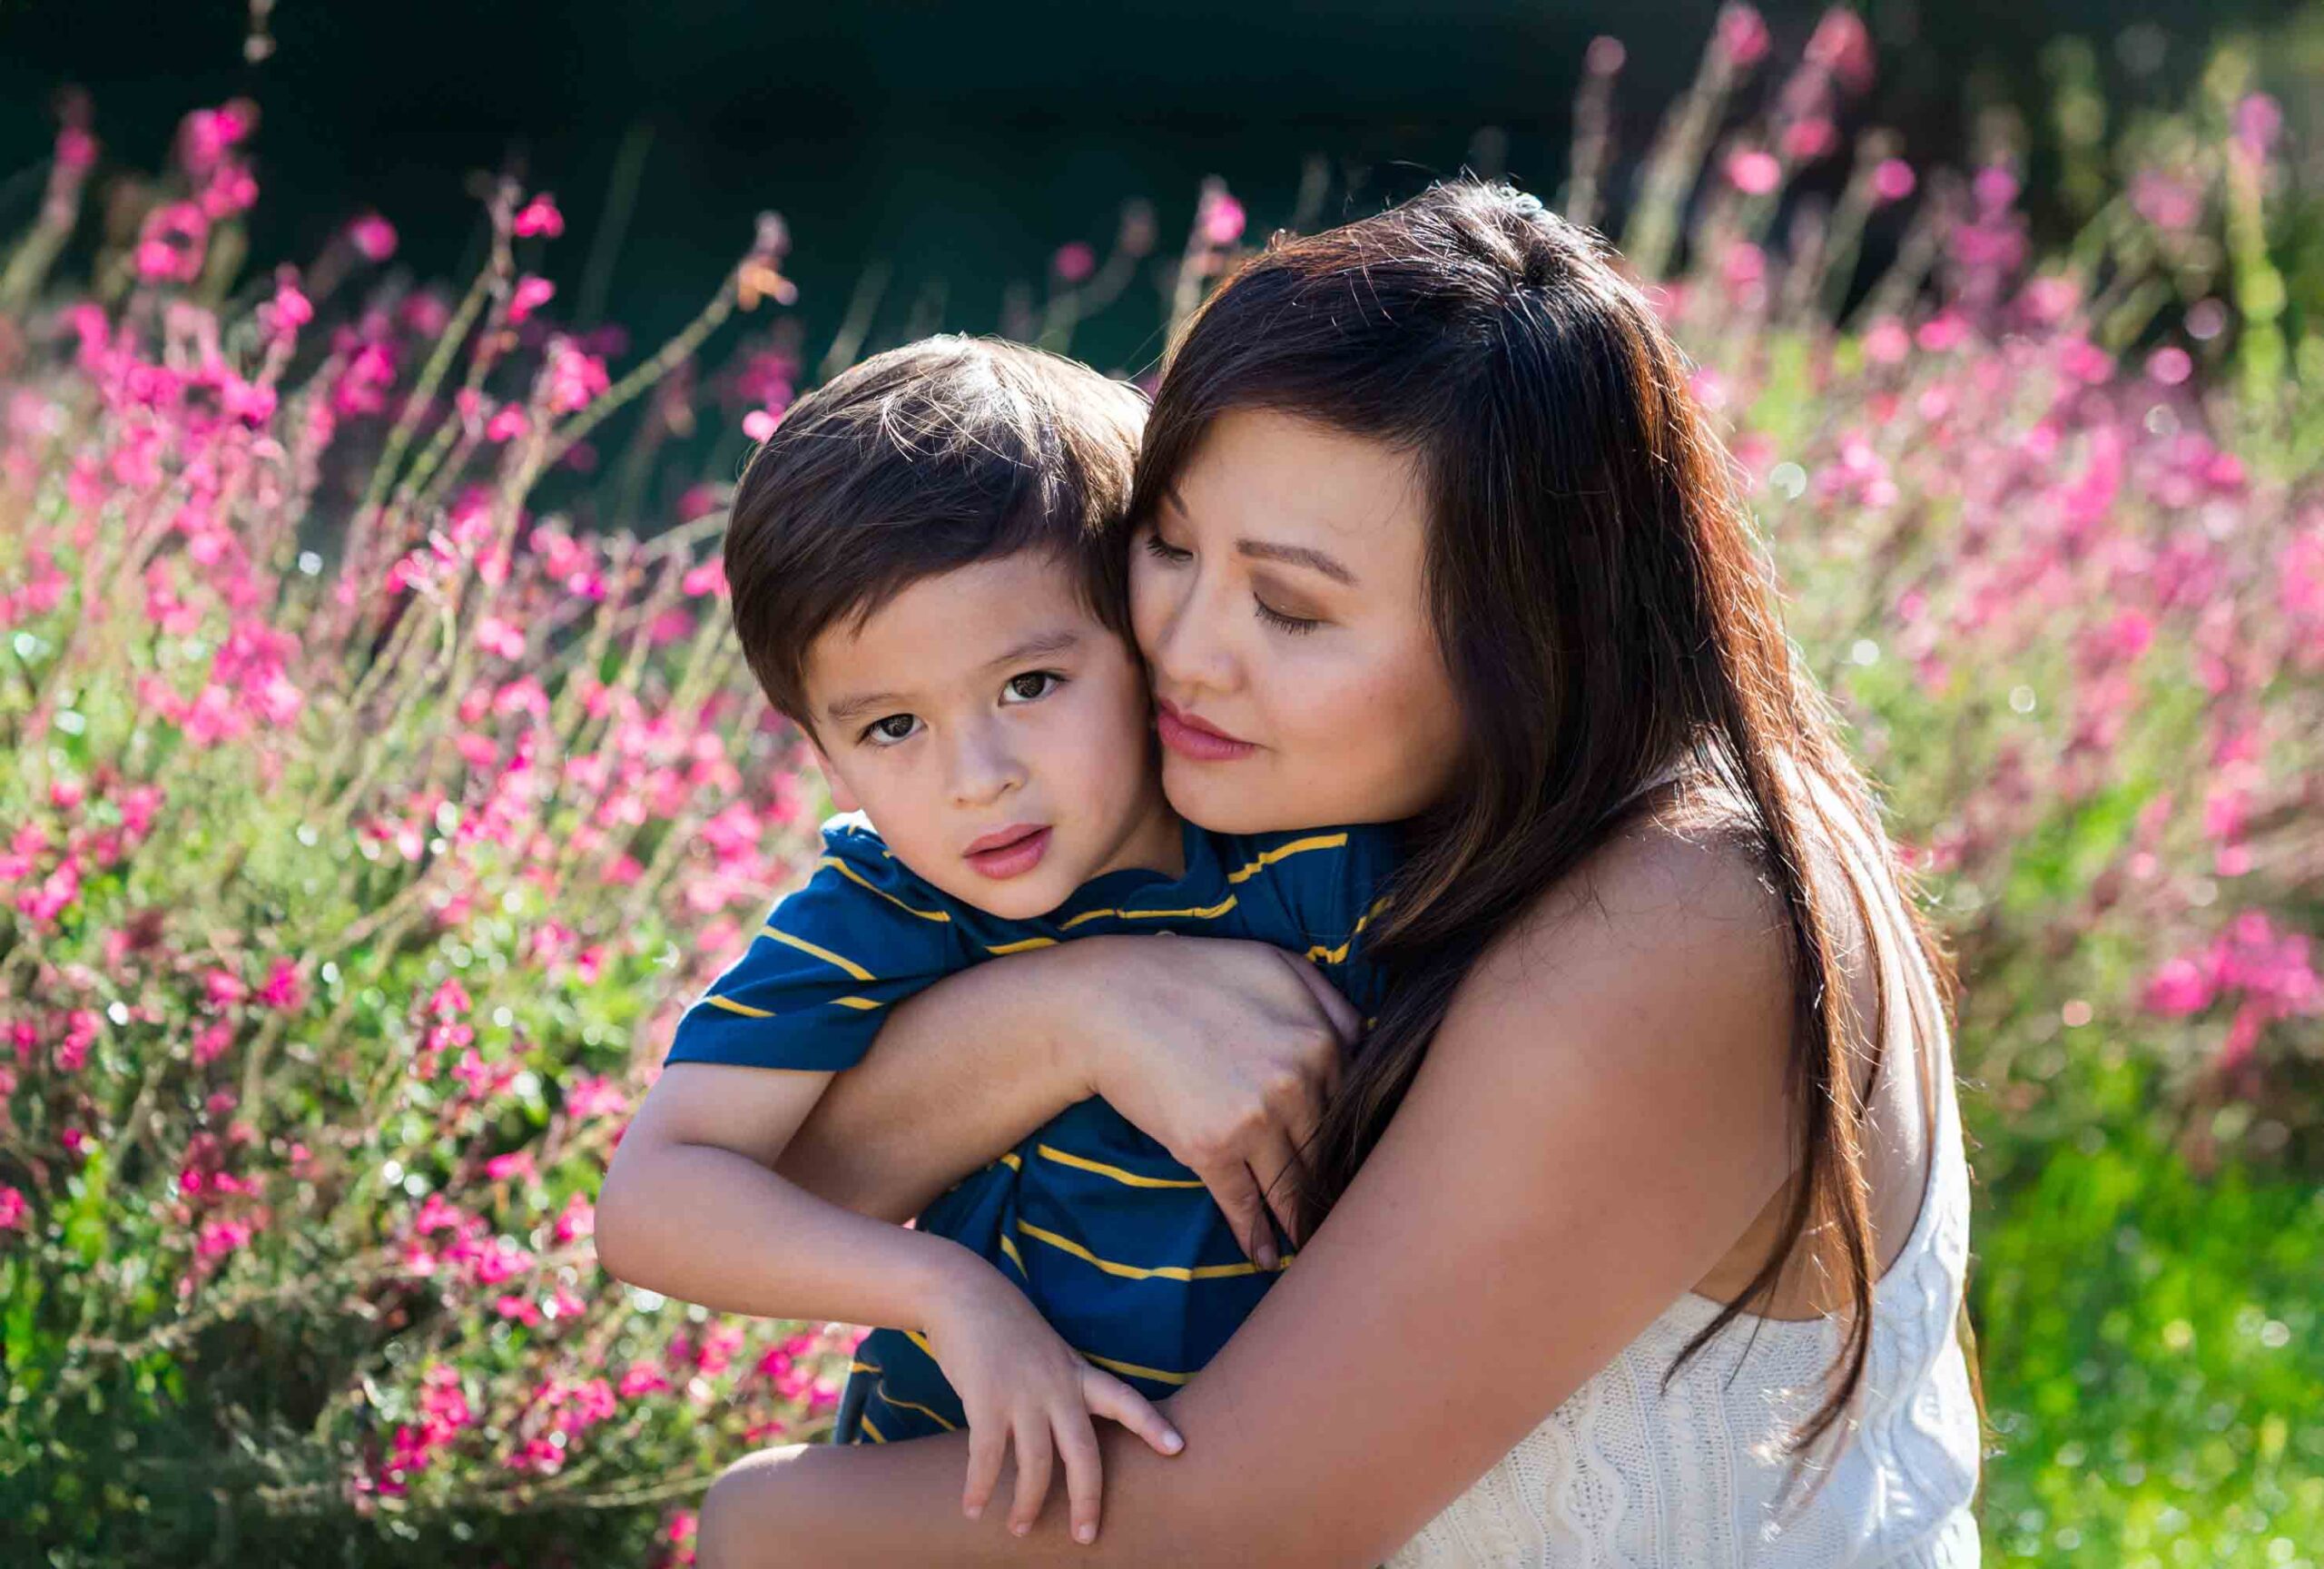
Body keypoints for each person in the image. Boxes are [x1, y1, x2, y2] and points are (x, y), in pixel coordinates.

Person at [693, 181, 1984, 1565]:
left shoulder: (1685, 911)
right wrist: (1078, 1011)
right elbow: (800, 1188)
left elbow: (1225, 1534)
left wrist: (761, 1519)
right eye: (1170, 546)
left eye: (1292, 608)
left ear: (1529, 628)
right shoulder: (1310, 808)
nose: (1187, 647)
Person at [593, 335, 1398, 1547]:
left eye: (1029, 686)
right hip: (970, 1500)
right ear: (820, 747)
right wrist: (943, 1289)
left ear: (1145, 632)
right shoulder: (887, 910)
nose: (976, 781)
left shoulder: (1308, 851)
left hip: (1292, 1494)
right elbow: (653, 1198)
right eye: (892, 727)